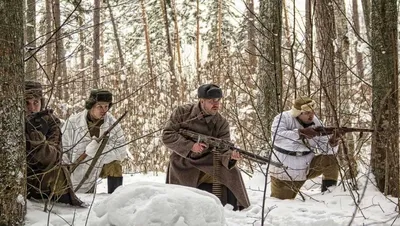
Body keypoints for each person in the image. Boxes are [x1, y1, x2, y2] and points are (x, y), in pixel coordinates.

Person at [162, 84, 250, 210]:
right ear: (201, 101)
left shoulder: (221, 123)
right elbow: (167, 135)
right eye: (211, 101)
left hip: (208, 160)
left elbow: (224, 148)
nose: (216, 104)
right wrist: (191, 146)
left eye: (218, 101)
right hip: (183, 159)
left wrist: (231, 157)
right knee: (181, 195)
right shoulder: (182, 112)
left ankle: (237, 207)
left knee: (232, 171)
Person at [269, 96, 342, 199]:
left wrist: (333, 141)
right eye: (307, 113)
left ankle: (329, 196)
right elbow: (277, 137)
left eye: (312, 112)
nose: (311, 116)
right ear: (298, 113)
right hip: (284, 172)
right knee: (282, 205)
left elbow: (325, 150)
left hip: (307, 167)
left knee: (331, 160)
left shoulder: (316, 122)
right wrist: (299, 133)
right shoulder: (283, 118)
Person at [25, 80, 83, 206]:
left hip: (41, 178)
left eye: (36, 103)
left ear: (42, 103)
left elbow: (56, 156)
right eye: (27, 103)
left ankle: (61, 211)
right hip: (18, 178)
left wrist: (40, 146)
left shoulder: (51, 122)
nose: (32, 108)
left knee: (60, 173)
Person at [62, 89, 128, 194]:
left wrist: (98, 152)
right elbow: (63, 148)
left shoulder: (113, 124)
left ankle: (114, 199)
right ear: (91, 106)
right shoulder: (73, 123)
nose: (104, 110)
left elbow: (121, 152)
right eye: (100, 106)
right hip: (75, 168)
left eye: (106, 106)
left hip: (99, 166)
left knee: (115, 166)